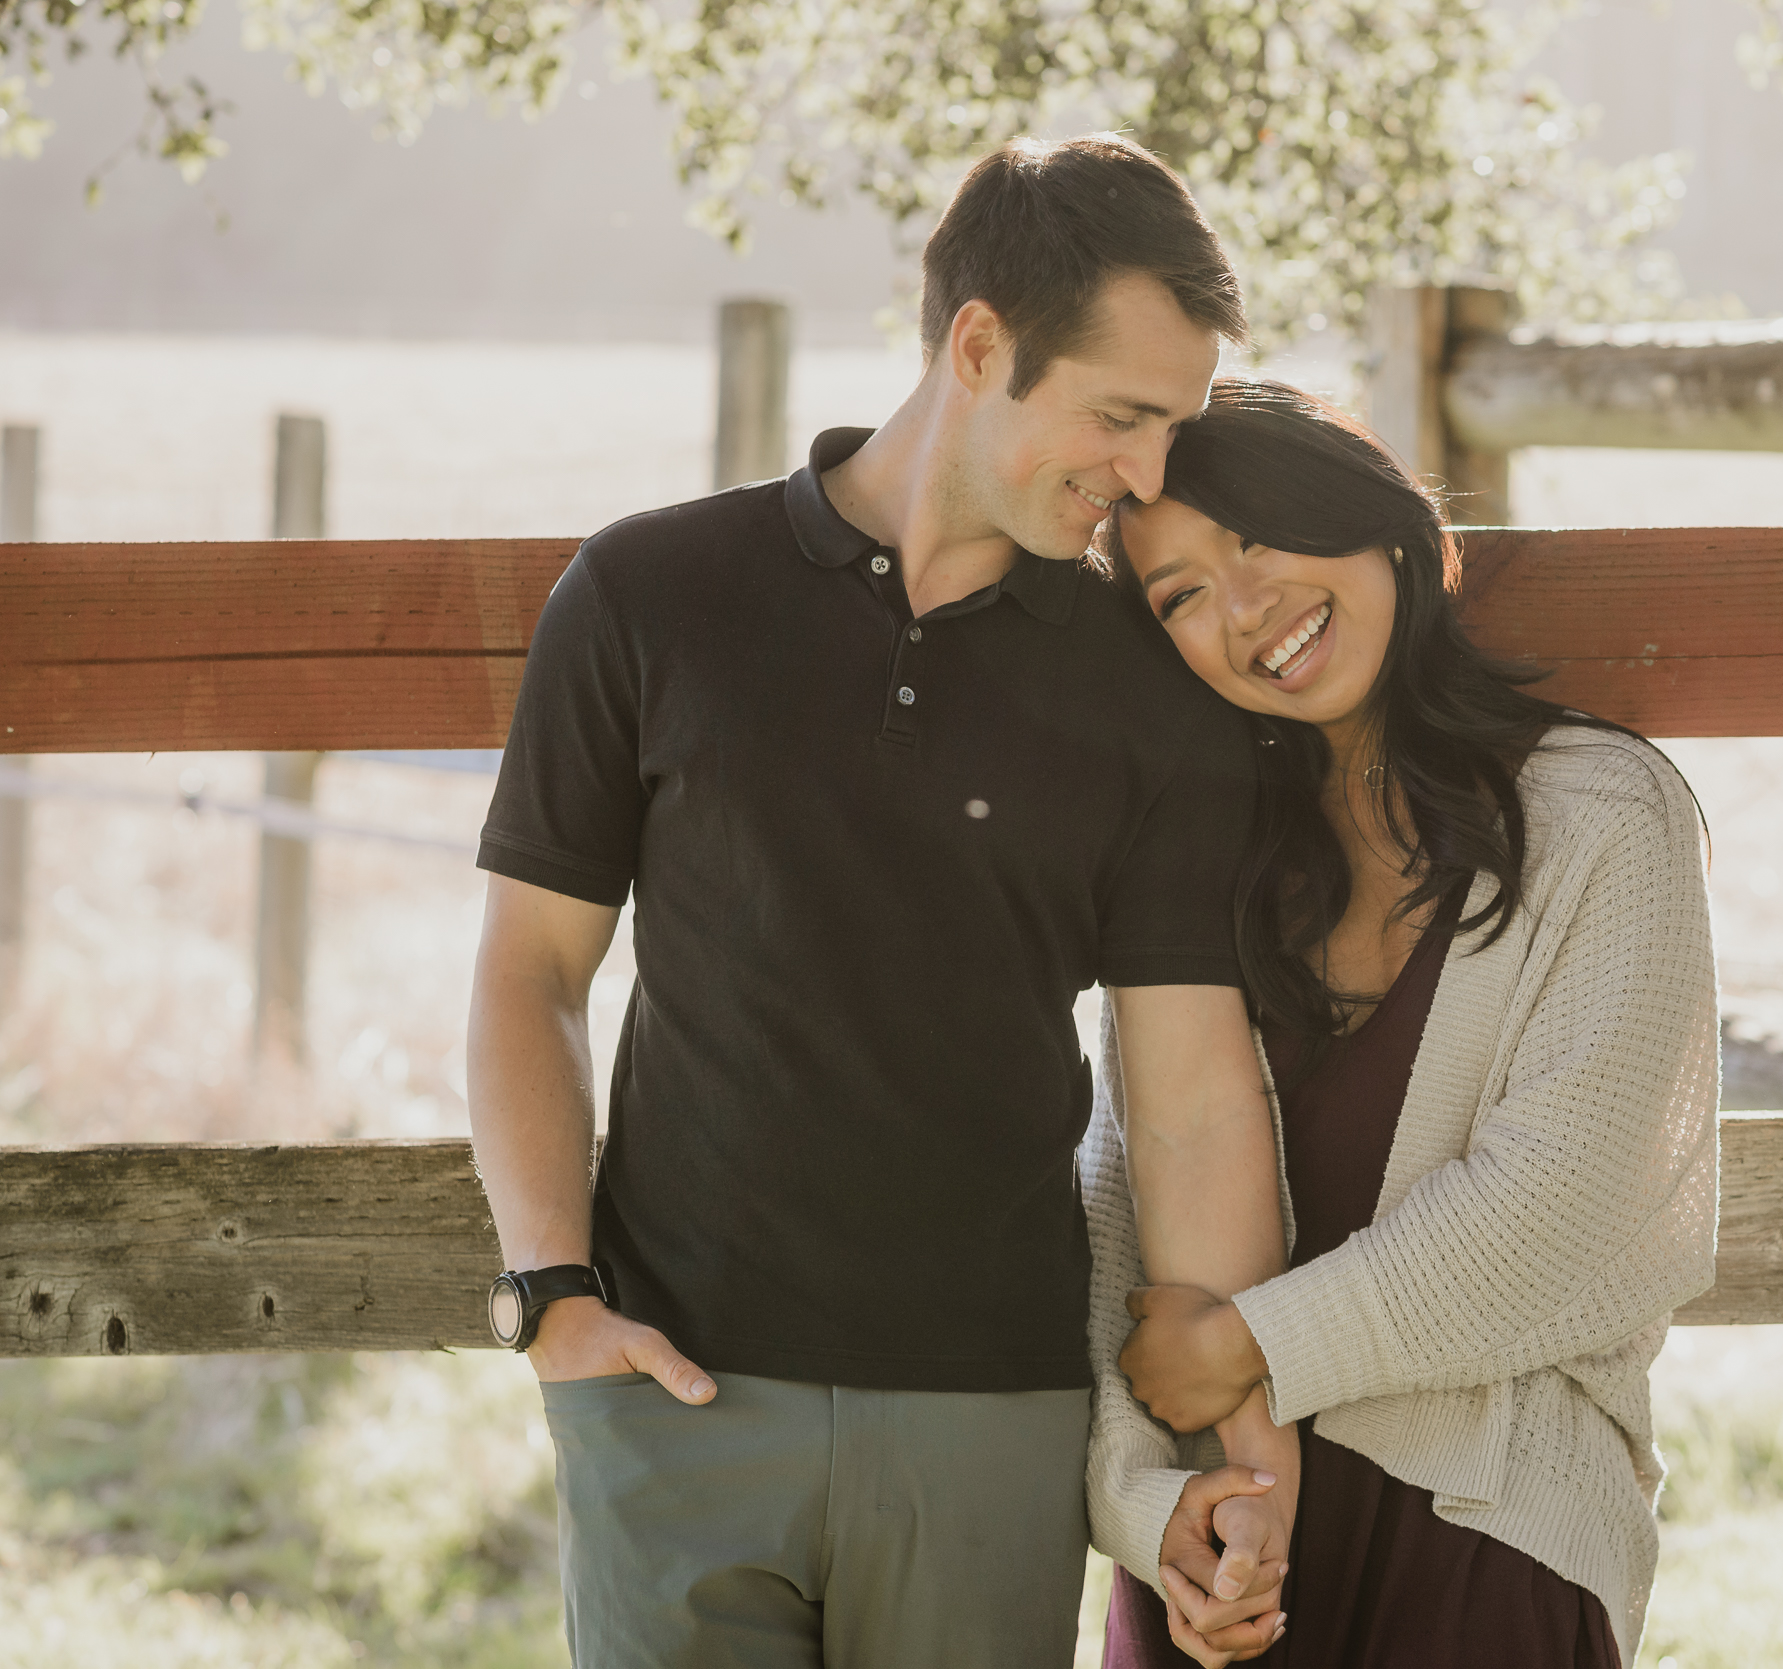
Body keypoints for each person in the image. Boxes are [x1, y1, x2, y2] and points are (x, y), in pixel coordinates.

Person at [465, 136, 1298, 1669]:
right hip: (673, 1397)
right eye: (1122, 417)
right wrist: (553, 1302)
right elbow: (529, 973)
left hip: (993, 1419)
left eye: (1171, 428)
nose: (1148, 477)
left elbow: (1186, 1092)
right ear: (979, 344)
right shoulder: (651, 596)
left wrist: (1233, 1420)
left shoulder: (1151, 696)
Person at [1081, 379, 1720, 1668]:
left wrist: (1254, 1347)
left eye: (1258, 541)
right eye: (1183, 595)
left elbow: (1558, 1207)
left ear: (1380, 528)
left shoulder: (1604, 817)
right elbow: (1115, 1209)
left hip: (1485, 1528)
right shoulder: (1195, 857)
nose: (1245, 608)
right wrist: (1146, 1509)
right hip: (1220, 1549)